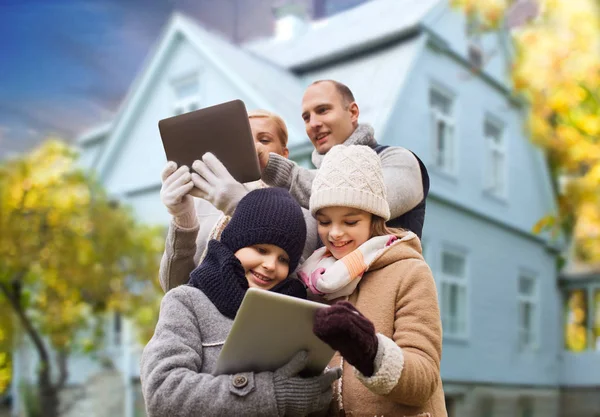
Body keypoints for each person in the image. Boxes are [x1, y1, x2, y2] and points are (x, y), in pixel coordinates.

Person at [141, 187, 341, 417]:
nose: (270, 265)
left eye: (283, 259)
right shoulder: (186, 303)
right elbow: (162, 394)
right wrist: (270, 393)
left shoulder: (295, 315)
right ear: (235, 244)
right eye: (261, 249)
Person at [296, 145, 447, 416]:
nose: (335, 233)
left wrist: (371, 352)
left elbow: (424, 379)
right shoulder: (313, 280)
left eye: (350, 221)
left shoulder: (409, 272)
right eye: (325, 221)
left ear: (374, 218)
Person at [158, 110, 318, 292]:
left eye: (264, 140)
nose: (253, 147)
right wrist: (182, 218)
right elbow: (174, 287)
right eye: (243, 141)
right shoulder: (203, 201)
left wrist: (241, 207)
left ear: (284, 154)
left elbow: (297, 284)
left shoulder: (301, 209)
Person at [261, 79, 430, 239]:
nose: (313, 124)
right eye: (306, 118)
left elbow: (357, 198)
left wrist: (278, 170)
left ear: (353, 112)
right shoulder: (306, 189)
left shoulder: (400, 160)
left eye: (323, 110)